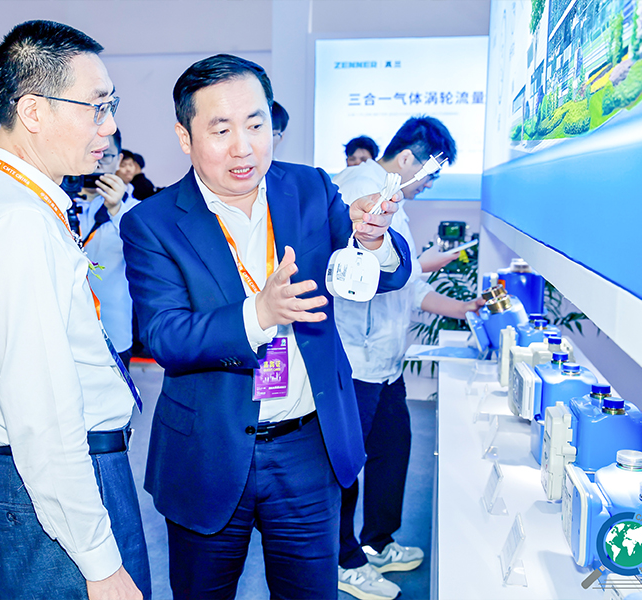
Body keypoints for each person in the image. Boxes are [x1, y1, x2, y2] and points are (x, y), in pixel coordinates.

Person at [121, 54, 412, 600]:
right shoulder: (152, 223)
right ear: (185, 137)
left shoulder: (309, 188)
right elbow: (165, 336)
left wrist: (373, 241)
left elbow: (380, 274)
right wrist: (259, 313)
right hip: (207, 451)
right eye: (221, 130)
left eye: (256, 126)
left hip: (307, 446)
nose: (244, 147)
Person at [0, 20, 149, 600]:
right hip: (55, 489)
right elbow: (42, 416)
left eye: (111, 105)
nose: (110, 125)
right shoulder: (17, 222)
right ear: (33, 111)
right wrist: (100, 564)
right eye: (97, 106)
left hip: (26, 483)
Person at [332, 116, 484, 600]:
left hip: (387, 363)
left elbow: (410, 285)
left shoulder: (394, 199)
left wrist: (465, 308)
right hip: (354, 360)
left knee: (393, 451)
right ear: (408, 159)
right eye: (431, 175)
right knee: (343, 467)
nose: (429, 186)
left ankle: (378, 542)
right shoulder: (360, 188)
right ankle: (343, 560)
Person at [76, 130, 139, 368]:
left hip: (114, 331)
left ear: (119, 159)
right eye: (90, 152)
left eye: (105, 154)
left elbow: (145, 254)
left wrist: (116, 209)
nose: (97, 161)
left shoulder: (134, 210)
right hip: (68, 333)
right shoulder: (60, 202)